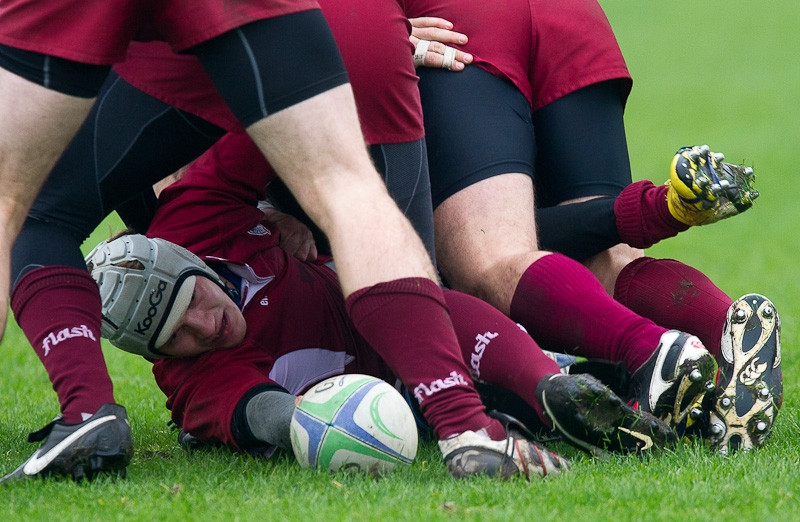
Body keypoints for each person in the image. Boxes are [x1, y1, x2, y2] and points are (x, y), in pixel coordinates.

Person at [0, 0, 486, 483]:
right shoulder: (188, 210)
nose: (202, 322)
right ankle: (468, 427)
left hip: (326, 43)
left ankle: (86, 411)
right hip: (332, 34)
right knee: (364, 217)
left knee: (20, 209)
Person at [81, 135, 678, 478]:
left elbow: (274, 122)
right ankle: (577, 379)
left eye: (192, 299)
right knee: (479, 296)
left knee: (448, 291)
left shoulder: (191, 217)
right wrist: (310, 424)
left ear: (189, 261)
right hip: (386, 389)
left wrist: (368, 61)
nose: (203, 325)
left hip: (387, 301)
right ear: (153, 353)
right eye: (175, 336)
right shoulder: (188, 380)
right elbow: (254, 412)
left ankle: (554, 381)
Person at [403, 0, 781, 453]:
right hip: (571, 17)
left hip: (458, 29)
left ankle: (653, 350)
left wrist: (375, 36)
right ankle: (727, 324)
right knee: (607, 258)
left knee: (493, 259)